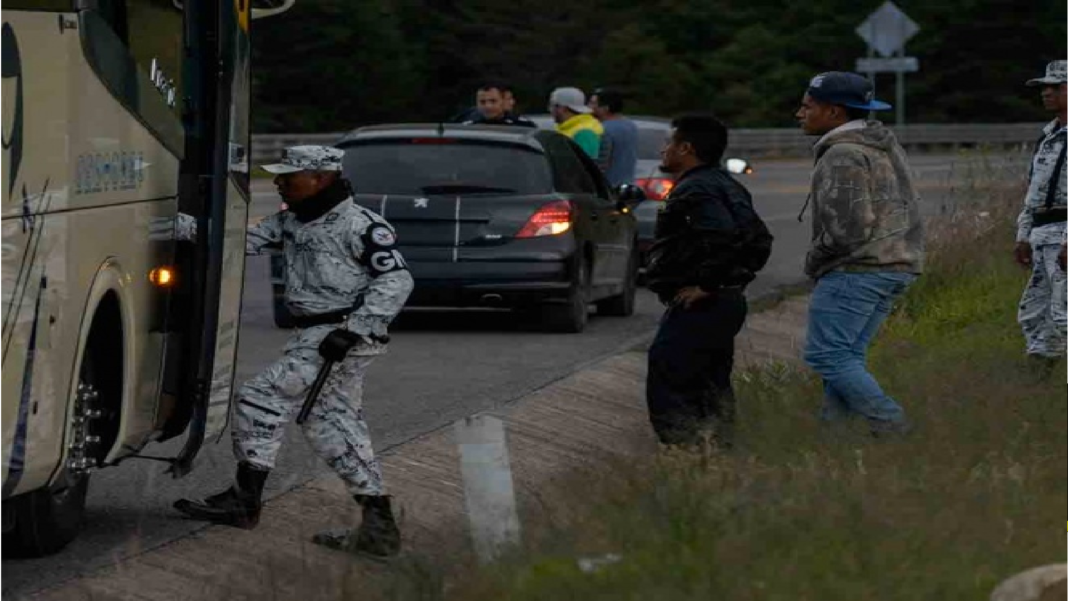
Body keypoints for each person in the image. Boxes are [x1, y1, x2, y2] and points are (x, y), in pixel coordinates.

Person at [172, 145, 414, 559]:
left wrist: (354, 330)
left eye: (290, 175)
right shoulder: (293, 221)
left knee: (259, 397)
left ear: (321, 178)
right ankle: (379, 528)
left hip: (338, 337)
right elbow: (234, 239)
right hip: (316, 335)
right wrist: (173, 224)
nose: (280, 181)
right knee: (333, 427)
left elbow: (397, 281)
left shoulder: (360, 225)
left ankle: (244, 500)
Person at [794, 72, 924, 435]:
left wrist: (813, 260)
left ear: (833, 112)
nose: (799, 113)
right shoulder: (880, 143)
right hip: (894, 264)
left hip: (858, 270)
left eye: (807, 106)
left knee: (828, 356)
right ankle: (834, 438)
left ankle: (894, 426)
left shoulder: (843, 153)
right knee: (846, 357)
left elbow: (848, 230)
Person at [644, 114, 773, 447]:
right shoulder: (726, 184)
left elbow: (725, 237)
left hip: (703, 305)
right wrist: (734, 282)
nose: (663, 150)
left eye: (669, 143)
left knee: (671, 376)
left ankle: (685, 453)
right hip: (723, 302)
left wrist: (708, 285)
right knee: (710, 383)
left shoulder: (696, 189)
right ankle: (717, 453)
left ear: (685, 148)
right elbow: (760, 240)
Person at [1015, 60, 1068, 378]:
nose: (1046, 93)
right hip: (1041, 234)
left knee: (1065, 313)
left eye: (1056, 86)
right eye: (1044, 88)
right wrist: (1022, 234)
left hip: (1065, 233)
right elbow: (1034, 190)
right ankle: (1041, 378)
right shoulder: (1048, 135)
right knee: (1035, 313)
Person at [589, 87, 638, 186]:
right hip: (627, 183)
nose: (589, 107)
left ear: (605, 108)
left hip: (608, 186)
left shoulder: (603, 129)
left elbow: (600, 163)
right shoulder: (631, 126)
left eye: (593, 103)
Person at [548, 86, 606, 162]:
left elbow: (586, 167)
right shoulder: (567, 127)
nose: (550, 109)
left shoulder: (585, 132)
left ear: (563, 108)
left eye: (552, 105)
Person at [455, 81, 536, 127]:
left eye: (493, 101)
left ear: (503, 101)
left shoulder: (522, 126)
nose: (488, 106)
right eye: (482, 102)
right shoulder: (464, 123)